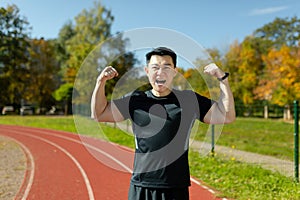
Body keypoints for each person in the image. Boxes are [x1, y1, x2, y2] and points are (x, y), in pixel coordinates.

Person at [91, 47, 235, 200]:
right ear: (147, 71)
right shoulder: (135, 100)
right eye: (155, 67)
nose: (160, 72)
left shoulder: (188, 100)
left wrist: (223, 80)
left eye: (166, 67)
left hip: (175, 188)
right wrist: (100, 82)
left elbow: (226, 116)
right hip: (142, 186)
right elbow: (99, 113)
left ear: (174, 71)